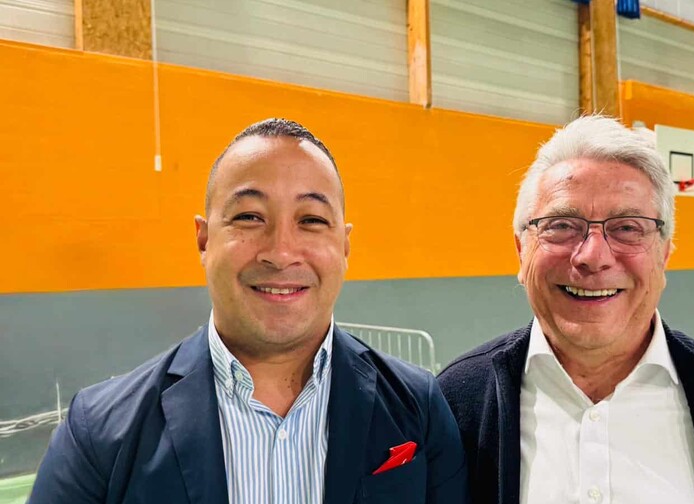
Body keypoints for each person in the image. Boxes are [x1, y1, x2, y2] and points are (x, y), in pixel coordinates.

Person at [29, 118, 468, 504]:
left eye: (312, 220)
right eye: (249, 217)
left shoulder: (418, 407)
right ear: (204, 240)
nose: (281, 252)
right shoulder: (101, 432)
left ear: (345, 245)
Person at [437, 115, 694, 504]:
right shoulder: (453, 407)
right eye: (561, 225)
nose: (593, 256)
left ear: (664, 254)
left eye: (627, 228)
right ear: (521, 251)